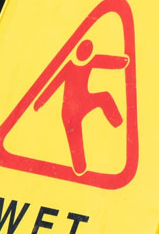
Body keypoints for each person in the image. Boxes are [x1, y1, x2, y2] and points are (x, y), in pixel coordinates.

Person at [35, 38, 127, 175]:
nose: (84, 53)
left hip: (83, 102)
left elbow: (106, 61)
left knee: (104, 97)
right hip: (69, 111)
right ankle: (79, 167)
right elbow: (53, 85)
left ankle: (118, 123)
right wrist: (39, 102)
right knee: (75, 140)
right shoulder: (69, 66)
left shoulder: (90, 62)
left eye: (87, 51)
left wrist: (124, 62)